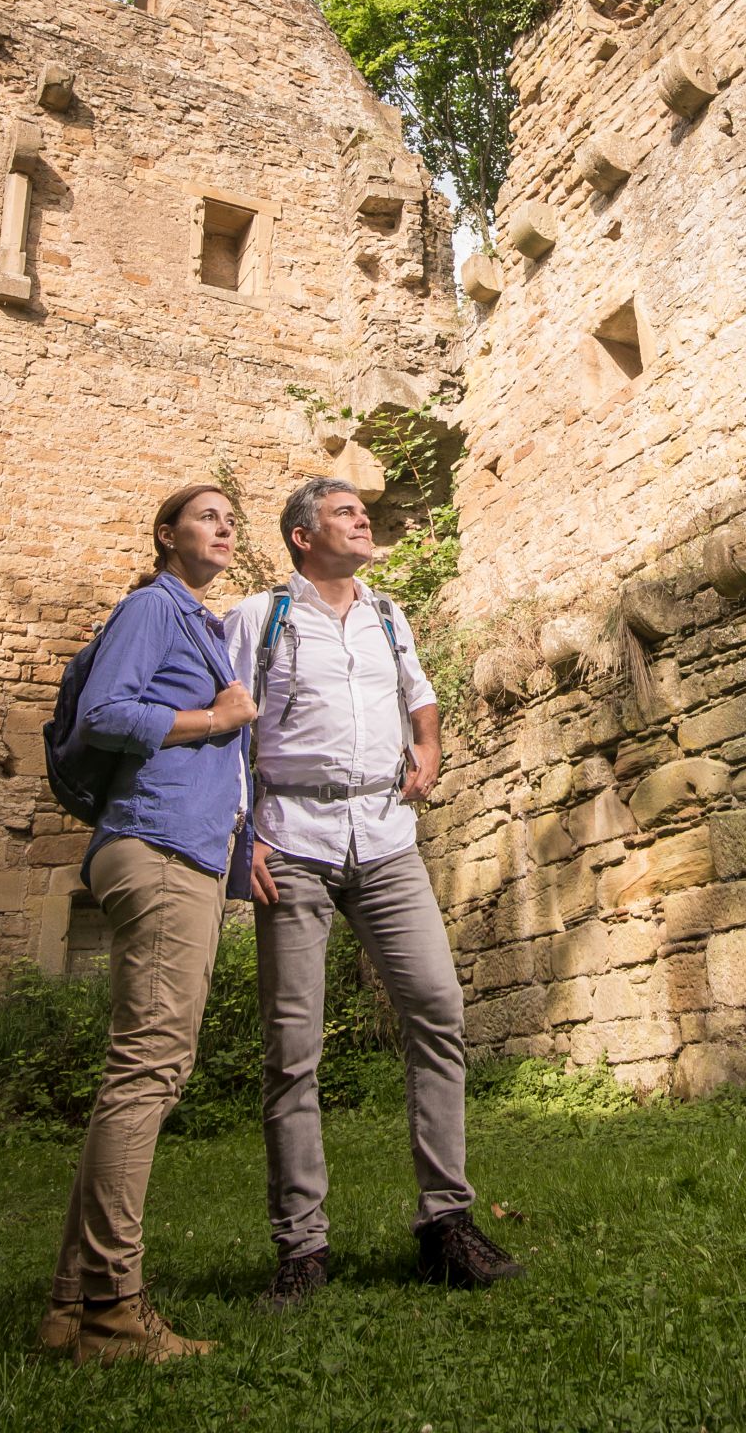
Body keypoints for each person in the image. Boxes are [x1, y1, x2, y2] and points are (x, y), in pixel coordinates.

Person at [227, 476, 521, 1307]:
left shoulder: (391, 614)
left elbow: (419, 700)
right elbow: (223, 731)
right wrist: (238, 835)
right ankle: (302, 1248)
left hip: (388, 841)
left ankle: (445, 1225)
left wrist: (428, 750)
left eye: (363, 509)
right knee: (292, 1050)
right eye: (344, 512)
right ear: (301, 537)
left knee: (438, 1010)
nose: (363, 518)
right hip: (291, 844)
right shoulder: (259, 619)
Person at [40, 483, 260, 1365]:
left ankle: (69, 1308)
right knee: (149, 1074)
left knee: (139, 1074)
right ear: (167, 536)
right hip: (158, 850)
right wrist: (217, 716)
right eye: (206, 516)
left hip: (185, 851)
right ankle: (115, 1315)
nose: (223, 528)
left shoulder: (199, 625)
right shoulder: (153, 606)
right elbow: (106, 713)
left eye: (229, 520)